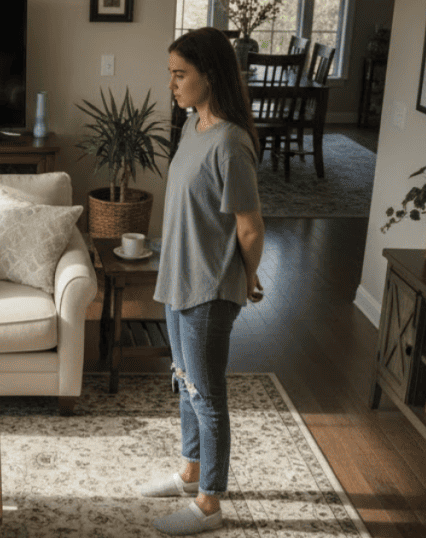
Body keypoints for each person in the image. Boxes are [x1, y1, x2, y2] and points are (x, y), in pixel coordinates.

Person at [139, 27, 266, 536]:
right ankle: (190, 471)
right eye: (171, 73)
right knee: (185, 385)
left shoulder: (231, 143)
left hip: (209, 288)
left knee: (207, 396)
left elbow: (250, 226)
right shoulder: (193, 127)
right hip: (178, 277)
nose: (172, 84)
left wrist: (248, 276)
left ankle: (210, 504)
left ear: (209, 76)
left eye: (180, 74)